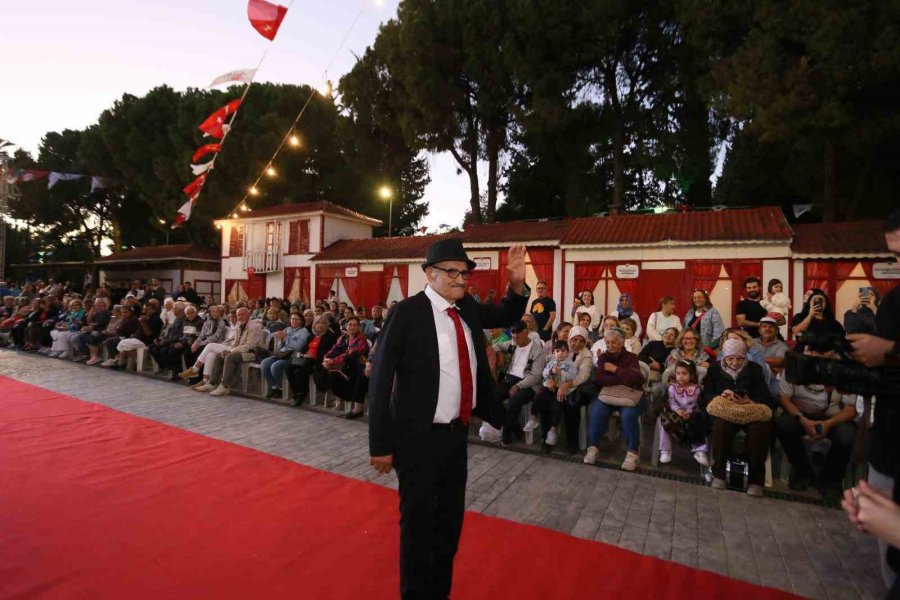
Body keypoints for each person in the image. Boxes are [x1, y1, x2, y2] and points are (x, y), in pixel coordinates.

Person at [368, 240, 528, 599]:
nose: (461, 279)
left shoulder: (467, 307)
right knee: (418, 529)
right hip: (416, 440)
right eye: (453, 272)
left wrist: (517, 285)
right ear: (430, 274)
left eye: (465, 272)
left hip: (456, 438)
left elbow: (505, 315)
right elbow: (380, 381)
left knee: (449, 525)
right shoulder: (407, 313)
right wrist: (380, 445)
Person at [846, 210, 900, 590]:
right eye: (896, 257)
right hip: (891, 445)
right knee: (890, 565)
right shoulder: (893, 303)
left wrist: (893, 352)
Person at [701, 338, 775, 497]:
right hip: (725, 411)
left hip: (749, 411)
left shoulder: (754, 370)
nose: (734, 363)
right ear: (724, 357)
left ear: (745, 357)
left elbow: (765, 397)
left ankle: (755, 480)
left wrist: (749, 401)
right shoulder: (715, 370)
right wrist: (721, 397)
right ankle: (719, 474)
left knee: (760, 429)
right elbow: (707, 394)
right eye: (730, 358)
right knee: (720, 427)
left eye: (740, 359)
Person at [775, 372, 858, 502]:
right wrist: (802, 419)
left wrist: (828, 424)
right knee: (784, 425)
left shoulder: (841, 370)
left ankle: (830, 480)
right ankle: (802, 471)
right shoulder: (794, 367)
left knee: (847, 434)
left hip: (833, 418)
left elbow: (851, 409)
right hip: (801, 415)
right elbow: (784, 398)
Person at [583, 327, 646, 471]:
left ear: (622, 343)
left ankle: (632, 452)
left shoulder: (631, 357)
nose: (610, 346)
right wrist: (623, 378)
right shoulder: (603, 357)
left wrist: (614, 370)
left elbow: (637, 378)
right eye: (607, 342)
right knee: (596, 411)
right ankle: (593, 447)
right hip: (608, 394)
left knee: (629, 415)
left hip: (631, 395)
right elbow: (599, 379)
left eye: (614, 343)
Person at [491, 320, 546, 445]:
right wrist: (499, 353)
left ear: (526, 332)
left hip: (527, 383)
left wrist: (518, 385)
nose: (515, 337)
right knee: (493, 396)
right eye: (513, 334)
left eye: (518, 334)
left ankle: (507, 432)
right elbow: (497, 346)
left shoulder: (537, 350)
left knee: (513, 402)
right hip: (510, 378)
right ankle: (516, 428)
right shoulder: (512, 343)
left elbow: (536, 376)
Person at [196, 307, 265, 396]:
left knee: (230, 357)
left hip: (253, 353)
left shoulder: (253, 327)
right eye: (238, 315)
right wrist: (228, 350)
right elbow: (236, 342)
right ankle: (212, 383)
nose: (240, 317)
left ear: (248, 315)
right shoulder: (239, 326)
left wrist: (231, 351)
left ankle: (225, 386)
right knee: (219, 355)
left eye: (243, 315)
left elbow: (249, 346)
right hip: (240, 350)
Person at [523, 340, 576, 448]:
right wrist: (550, 372)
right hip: (549, 388)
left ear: (568, 352)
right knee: (538, 397)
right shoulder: (552, 362)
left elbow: (573, 377)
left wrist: (561, 372)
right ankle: (533, 418)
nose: (560, 353)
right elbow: (544, 373)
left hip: (561, 390)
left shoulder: (570, 364)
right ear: (553, 353)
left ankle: (553, 430)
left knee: (557, 406)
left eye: (563, 351)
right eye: (557, 351)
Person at [657, 359, 709, 466]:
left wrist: (688, 412)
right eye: (678, 373)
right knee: (665, 422)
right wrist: (678, 410)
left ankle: (699, 449)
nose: (681, 376)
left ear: (692, 375)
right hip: (674, 412)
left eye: (684, 374)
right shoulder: (672, 387)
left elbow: (696, 404)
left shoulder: (696, 389)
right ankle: (665, 450)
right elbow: (670, 402)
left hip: (691, 413)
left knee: (699, 420)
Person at [322, 316, 369, 418]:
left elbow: (349, 354)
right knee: (329, 375)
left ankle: (357, 408)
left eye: (355, 325)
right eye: (350, 325)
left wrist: (332, 361)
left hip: (359, 368)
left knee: (358, 376)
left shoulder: (361, 339)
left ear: (359, 327)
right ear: (346, 326)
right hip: (345, 367)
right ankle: (345, 398)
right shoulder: (343, 338)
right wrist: (326, 359)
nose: (352, 327)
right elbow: (333, 350)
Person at [287, 315, 337, 404]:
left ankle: (302, 393)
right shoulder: (311, 335)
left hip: (318, 360)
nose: (320, 325)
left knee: (299, 371)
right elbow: (305, 348)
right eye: (318, 323)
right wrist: (301, 353)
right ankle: (295, 391)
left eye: (323, 323)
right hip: (306, 358)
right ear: (314, 324)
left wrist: (313, 356)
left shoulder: (330, 336)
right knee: (289, 368)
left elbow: (329, 353)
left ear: (327, 325)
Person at [262, 313, 310, 399]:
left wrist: (286, 338)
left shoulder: (304, 332)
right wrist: (281, 340)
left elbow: (298, 346)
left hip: (293, 356)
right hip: (282, 353)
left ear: (301, 321)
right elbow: (281, 346)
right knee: (265, 363)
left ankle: (280, 387)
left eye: (297, 319)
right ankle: (275, 387)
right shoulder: (288, 329)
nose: (294, 321)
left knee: (275, 366)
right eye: (292, 319)